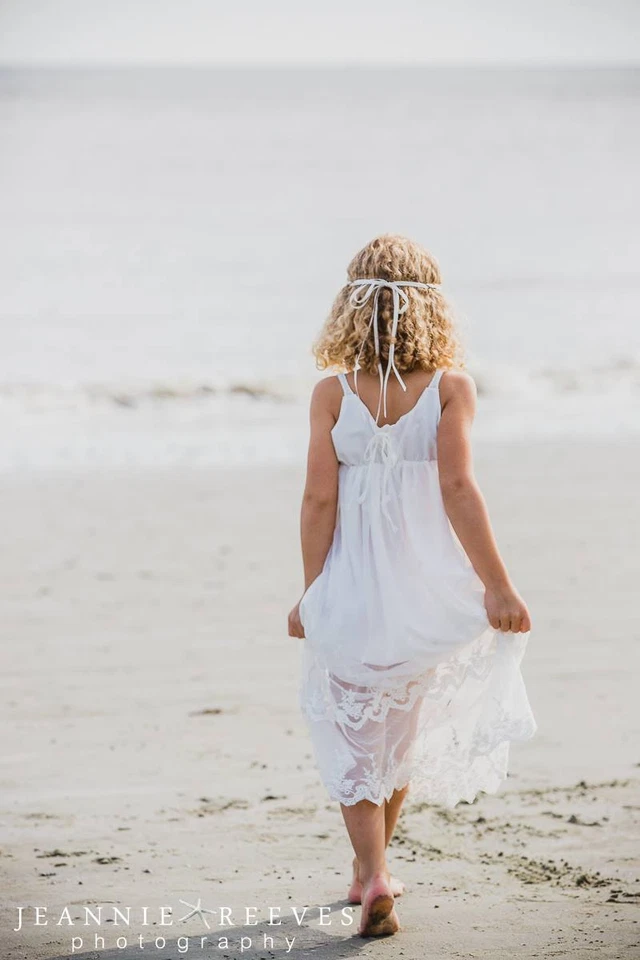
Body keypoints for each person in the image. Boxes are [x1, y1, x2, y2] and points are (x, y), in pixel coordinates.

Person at [287, 234, 536, 938]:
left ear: (350, 308)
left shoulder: (331, 395)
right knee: (396, 732)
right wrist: (497, 587)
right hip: (425, 593)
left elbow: (317, 502)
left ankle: (368, 873)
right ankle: (377, 872)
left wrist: (312, 593)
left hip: (353, 590)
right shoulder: (452, 388)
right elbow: (459, 487)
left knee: (351, 735)